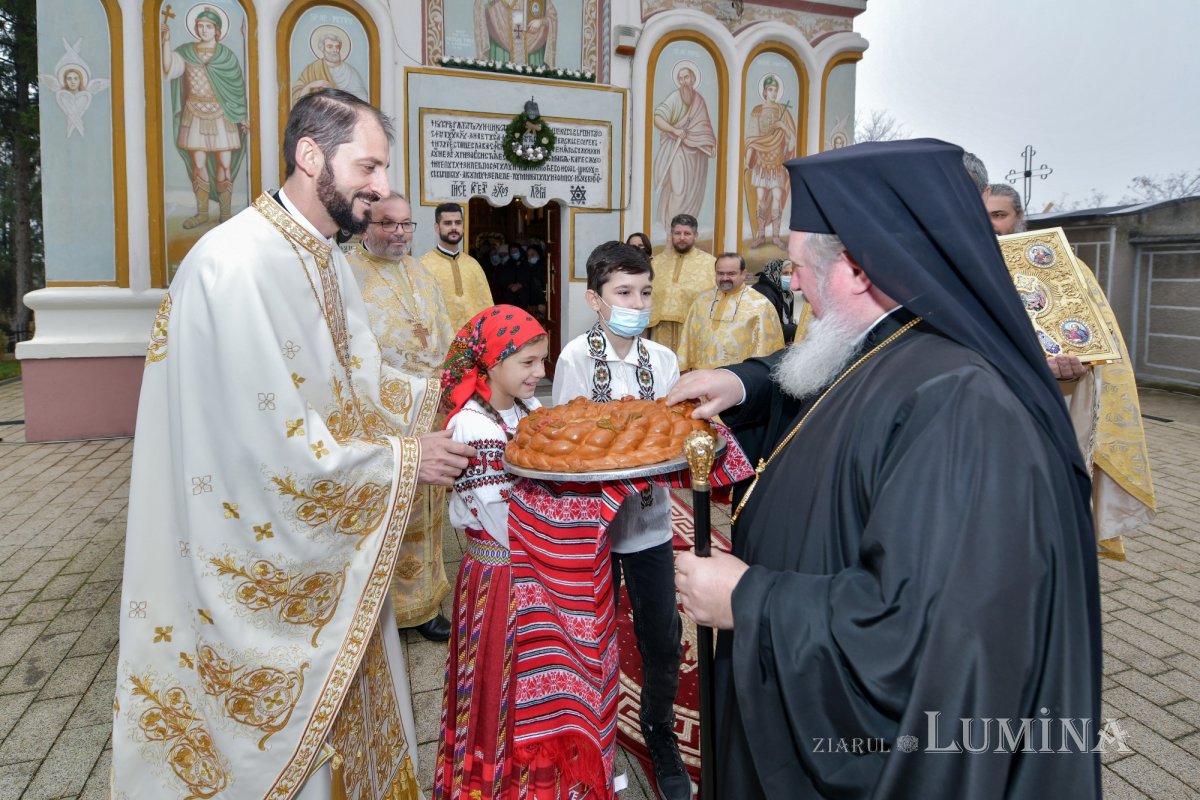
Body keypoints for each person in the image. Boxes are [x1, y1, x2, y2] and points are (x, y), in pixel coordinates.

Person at [668, 140, 1101, 798]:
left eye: (797, 266)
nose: (792, 283)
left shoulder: (962, 405)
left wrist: (749, 599)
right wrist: (741, 382)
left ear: (861, 270)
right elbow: (815, 386)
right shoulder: (892, 339)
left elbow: (931, 638)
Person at [111, 89, 476, 800]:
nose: (380, 187)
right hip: (250, 546)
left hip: (326, 548)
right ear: (311, 156)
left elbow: (360, 383)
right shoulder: (237, 266)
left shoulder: (324, 257)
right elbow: (265, 451)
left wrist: (458, 401)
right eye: (368, 167)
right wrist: (406, 462)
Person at [551, 241, 690, 800]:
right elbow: (564, 448)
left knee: (662, 638)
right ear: (595, 299)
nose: (637, 301)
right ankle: (592, 737)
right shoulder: (574, 359)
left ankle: (658, 730)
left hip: (652, 528)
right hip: (595, 533)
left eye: (646, 291)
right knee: (590, 638)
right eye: (624, 293)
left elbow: (674, 439)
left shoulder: (664, 361)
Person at [986, 182, 1155, 558]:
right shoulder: (958, 266)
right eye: (984, 216)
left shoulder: (1064, 267)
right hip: (981, 414)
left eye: (1000, 215)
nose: (992, 225)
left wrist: (1073, 370)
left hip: (1041, 416)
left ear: (1019, 218)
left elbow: (1091, 346)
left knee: (1036, 524)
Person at [433, 305, 555, 797]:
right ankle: (499, 783)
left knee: (537, 678)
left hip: (536, 563)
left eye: (542, 361)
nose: (539, 373)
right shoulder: (472, 427)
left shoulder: (530, 410)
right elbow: (504, 521)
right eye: (527, 362)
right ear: (492, 361)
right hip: (502, 574)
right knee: (502, 678)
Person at [347, 191, 456, 641]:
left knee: (429, 512)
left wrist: (451, 387)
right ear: (365, 227)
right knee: (386, 512)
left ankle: (425, 604)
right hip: (381, 416)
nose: (399, 233)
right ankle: (380, 610)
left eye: (406, 225)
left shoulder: (419, 270)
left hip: (429, 410)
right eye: (388, 224)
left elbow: (442, 331)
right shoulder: (347, 274)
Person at [160, 6, 248, 228]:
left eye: (208, 26)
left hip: (222, 115)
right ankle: (202, 213)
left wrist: (242, 115)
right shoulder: (187, 52)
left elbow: (237, 88)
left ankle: (226, 214)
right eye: (200, 26)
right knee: (198, 164)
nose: (204, 30)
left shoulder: (226, 56)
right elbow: (169, 68)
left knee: (225, 164)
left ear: (217, 30)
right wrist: (166, 42)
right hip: (194, 113)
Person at [677, 252, 784, 371]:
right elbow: (687, 339)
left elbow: (766, 350)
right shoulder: (702, 300)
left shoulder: (760, 305)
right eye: (720, 273)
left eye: (731, 274)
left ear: (744, 274)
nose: (725, 278)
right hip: (700, 376)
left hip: (736, 379)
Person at [652, 64, 717, 232]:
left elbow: (704, 127)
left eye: (686, 78)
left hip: (696, 156)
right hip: (677, 150)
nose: (683, 82)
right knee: (678, 190)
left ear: (693, 79)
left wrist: (710, 144)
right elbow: (658, 118)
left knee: (692, 194)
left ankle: (686, 233)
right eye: (680, 78)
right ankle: (672, 233)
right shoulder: (675, 98)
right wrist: (675, 130)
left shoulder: (699, 101)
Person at [419, 202, 495, 331]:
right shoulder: (423, 265)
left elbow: (486, 306)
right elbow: (420, 310)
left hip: (472, 344)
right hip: (440, 344)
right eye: (448, 223)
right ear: (437, 227)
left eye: (458, 223)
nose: (454, 227)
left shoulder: (473, 265)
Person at [647, 214, 715, 354]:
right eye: (677, 233)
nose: (682, 237)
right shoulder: (656, 262)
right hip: (659, 329)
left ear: (696, 236)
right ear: (671, 235)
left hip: (692, 329)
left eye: (687, 233)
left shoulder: (710, 263)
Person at [744, 74, 797, 250]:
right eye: (770, 90)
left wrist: (784, 127)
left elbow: (792, 141)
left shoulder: (784, 111)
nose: (773, 93)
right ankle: (760, 236)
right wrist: (746, 160)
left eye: (775, 90)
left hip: (777, 162)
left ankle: (775, 236)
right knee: (760, 200)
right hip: (760, 161)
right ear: (765, 91)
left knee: (776, 198)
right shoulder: (757, 110)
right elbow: (752, 138)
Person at [291, 29, 369, 104]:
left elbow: (363, 98)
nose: (335, 50)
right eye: (330, 46)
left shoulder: (350, 71)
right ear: (322, 49)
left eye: (337, 47)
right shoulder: (312, 69)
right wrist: (311, 85)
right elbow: (297, 98)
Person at [750, 258, 798, 344]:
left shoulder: (786, 293)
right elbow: (769, 328)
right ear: (773, 273)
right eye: (785, 273)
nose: (789, 277)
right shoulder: (762, 292)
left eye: (791, 273)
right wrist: (795, 329)